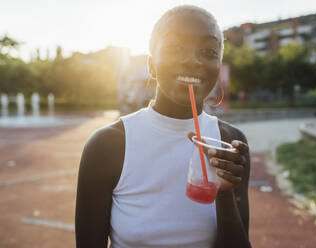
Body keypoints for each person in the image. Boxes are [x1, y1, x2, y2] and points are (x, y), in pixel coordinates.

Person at [75, 5, 251, 248]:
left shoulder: (230, 143)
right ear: (151, 65)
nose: (191, 60)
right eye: (174, 48)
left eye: (208, 51)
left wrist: (224, 192)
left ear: (218, 66)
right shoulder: (107, 145)